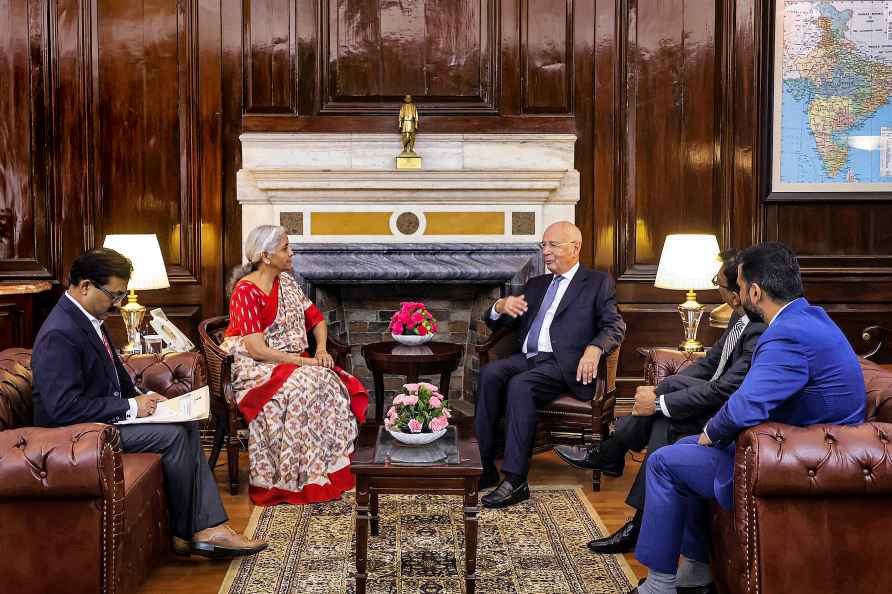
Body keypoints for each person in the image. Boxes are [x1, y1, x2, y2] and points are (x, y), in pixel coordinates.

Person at [630, 242, 866, 594]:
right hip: (799, 446)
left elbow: (747, 405)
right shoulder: (810, 316)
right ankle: (695, 569)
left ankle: (660, 584)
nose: (737, 295)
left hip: (792, 458)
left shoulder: (785, 335)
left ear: (755, 291)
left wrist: (712, 431)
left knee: (664, 462)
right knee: (682, 448)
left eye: (739, 287)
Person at [32, 248, 266, 558]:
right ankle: (199, 530)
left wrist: (141, 397)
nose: (117, 304)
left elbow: (115, 376)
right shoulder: (60, 332)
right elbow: (63, 408)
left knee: (185, 425)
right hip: (76, 435)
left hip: (101, 423)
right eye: (114, 296)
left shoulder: (88, 318)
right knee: (173, 437)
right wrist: (130, 409)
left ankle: (199, 529)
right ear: (85, 285)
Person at [554, 250, 766, 555]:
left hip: (724, 414)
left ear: (737, 294)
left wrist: (658, 401)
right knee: (663, 419)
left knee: (663, 417)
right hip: (711, 398)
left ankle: (612, 459)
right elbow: (709, 365)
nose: (715, 288)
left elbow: (725, 390)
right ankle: (635, 518)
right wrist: (663, 391)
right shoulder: (737, 315)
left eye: (717, 283)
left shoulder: (758, 329)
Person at [476, 221, 626, 509]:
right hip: (528, 358)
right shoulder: (536, 285)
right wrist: (499, 307)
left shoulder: (596, 282)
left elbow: (614, 325)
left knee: (521, 385)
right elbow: (506, 321)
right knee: (490, 373)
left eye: (553, 245)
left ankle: (515, 479)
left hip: (564, 363)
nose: (545, 251)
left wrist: (595, 348)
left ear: (575, 247)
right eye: (543, 245)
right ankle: (484, 466)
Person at [222, 225, 368, 506]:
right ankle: (291, 478)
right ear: (266, 256)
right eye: (286, 248)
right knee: (307, 384)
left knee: (326, 381)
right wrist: (306, 361)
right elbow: (257, 350)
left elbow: (317, 320)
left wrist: (322, 350)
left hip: (290, 361)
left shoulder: (286, 283)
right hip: (256, 367)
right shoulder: (246, 292)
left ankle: (324, 470)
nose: (292, 252)